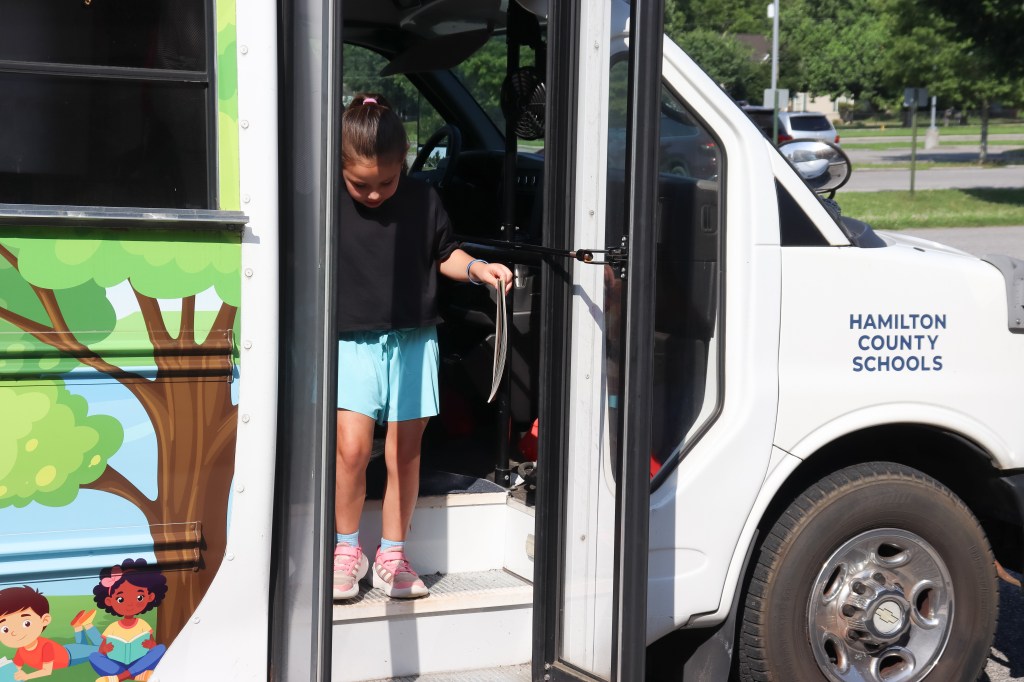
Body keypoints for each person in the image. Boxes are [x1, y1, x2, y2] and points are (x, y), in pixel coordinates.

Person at [333, 93, 512, 600]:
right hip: (352, 341)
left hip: (413, 340)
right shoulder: (324, 201)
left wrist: (478, 270)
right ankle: (346, 550)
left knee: (404, 454)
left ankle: (392, 555)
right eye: (360, 184)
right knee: (349, 451)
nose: (373, 195)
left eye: (386, 182)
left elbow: (445, 254)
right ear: (340, 169)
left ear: (405, 161)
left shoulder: (422, 200)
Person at [89, 559, 167, 682]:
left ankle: (119, 677)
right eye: (120, 599)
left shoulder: (142, 624)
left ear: (150, 597)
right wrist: (106, 649)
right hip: (116, 663)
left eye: (139, 597)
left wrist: (150, 645)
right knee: (94, 657)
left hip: (139, 660)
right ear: (109, 601)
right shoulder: (113, 627)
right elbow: (101, 651)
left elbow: (153, 646)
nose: (130, 604)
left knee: (160, 649)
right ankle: (136, 675)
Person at [0, 585, 100, 680]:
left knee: (101, 648)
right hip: (66, 650)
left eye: (26, 623)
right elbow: (15, 669)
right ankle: (77, 626)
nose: (14, 633)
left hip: (70, 656)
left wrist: (27, 676)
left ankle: (88, 624)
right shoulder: (21, 651)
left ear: (45, 620)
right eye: (5, 629)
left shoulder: (45, 646)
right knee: (82, 645)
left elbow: (47, 671)